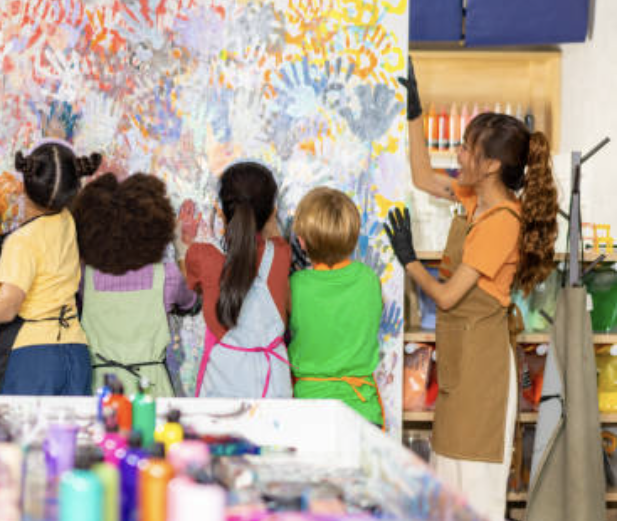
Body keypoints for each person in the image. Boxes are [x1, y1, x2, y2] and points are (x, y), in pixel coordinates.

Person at [388, 62, 558, 520]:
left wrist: (408, 260)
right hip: (462, 360)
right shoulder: (473, 199)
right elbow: (423, 175)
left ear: (492, 165)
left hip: (483, 370)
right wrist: (415, 114)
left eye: (466, 148)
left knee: (474, 489)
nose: (458, 154)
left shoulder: (502, 222)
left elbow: (446, 297)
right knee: (447, 484)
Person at [0, 140, 101, 396]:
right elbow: (56, 185)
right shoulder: (67, 222)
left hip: (36, 357)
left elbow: (8, 307)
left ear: (23, 185)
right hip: (76, 350)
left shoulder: (22, 241)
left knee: (25, 436)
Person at [71, 172, 200, 397]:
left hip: (100, 390)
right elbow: (192, 302)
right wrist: (181, 250)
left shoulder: (84, 277)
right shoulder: (168, 276)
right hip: (151, 389)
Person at [184, 162, 292, 398]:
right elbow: (268, 240)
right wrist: (267, 218)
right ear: (272, 213)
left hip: (223, 383)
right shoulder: (281, 254)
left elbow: (191, 280)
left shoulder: (200, 255)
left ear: (221, 211)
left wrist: (184, 239)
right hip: (273, 384)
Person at [288, 187, 383, 427]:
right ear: (353, 236)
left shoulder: (294, 286)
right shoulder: (369, 279)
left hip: (309, 412)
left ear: (302, 242)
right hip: (362, 409)